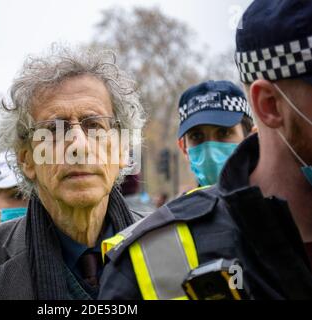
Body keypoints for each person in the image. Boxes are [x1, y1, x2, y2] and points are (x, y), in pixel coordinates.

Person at [98, 0, 312, 300]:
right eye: (198, 137)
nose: (211, 148)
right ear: (269, 106)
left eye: (224, 133)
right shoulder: (153, 250)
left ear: (249, 131)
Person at [0, 46, 146, 300]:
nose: (79, 146)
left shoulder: (175, 248)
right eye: (54, 129)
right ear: (26, 159)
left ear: (121, 150)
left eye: (94, 125)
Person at [177, 80, 255, 186]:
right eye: (196, 136)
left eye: (223, 132)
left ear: (251, 138)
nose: (210, 151)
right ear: (184, 149)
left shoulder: (276, 199)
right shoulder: (183, 203)